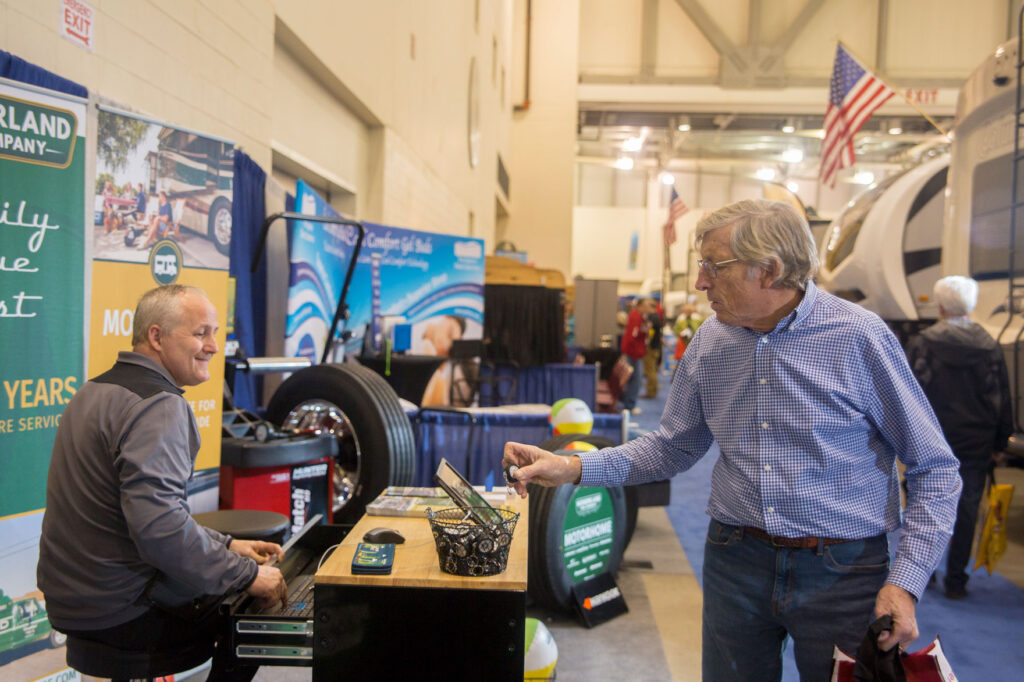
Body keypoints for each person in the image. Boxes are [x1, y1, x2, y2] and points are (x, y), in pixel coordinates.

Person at [503, 199, 961, 681]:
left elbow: (935, 468)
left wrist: (905, 583)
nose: (700, 282)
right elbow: (672, 446)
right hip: (735, 558)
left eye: (712, 267)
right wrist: (572, 468)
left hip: (842, 571)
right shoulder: (711, 341)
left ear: (770, 270)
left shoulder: (858, 338)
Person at [37, 285, 287, 678]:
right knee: (255, 607)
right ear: (156, 336)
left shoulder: (93, 390)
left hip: (72, 600)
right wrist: (248, 574)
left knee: (224, 572)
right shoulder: (160, 406)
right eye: (201, 333)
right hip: (123, 608)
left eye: (216, 333)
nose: (214, 346)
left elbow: (139, 514)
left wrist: (228, 545)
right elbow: (160, 531)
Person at [906, 275, 1012, 600]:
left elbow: (910, 395)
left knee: (922, 506)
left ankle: (919, 575)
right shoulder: (989, 346)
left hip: (930, 442)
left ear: (939, 306)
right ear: (973, 305)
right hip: (975, 443)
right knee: (966, 510)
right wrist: (999, 443)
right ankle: (956, 581)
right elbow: (1000, 398)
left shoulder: (923, 344)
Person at [620, 297, 652, 414]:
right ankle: (629, 405)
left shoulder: (641, 317)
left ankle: (628, 403)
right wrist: (633, 353)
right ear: (640, 306)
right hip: (633, 354)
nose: (650, 308)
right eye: (647, 305)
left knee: (633, 379)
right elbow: (632, 337)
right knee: (636, 380)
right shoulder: (636, 317)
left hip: (635, 353)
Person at [641, 300, 663, 398]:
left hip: (651, 348)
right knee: (653, 370)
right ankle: (653, 391)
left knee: (650, 370)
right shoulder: (656, 317)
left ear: (652, 308)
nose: (645, 309)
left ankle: (651, 392)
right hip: (655, 347)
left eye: (647, 307)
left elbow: (647, 328)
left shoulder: (653, 317)